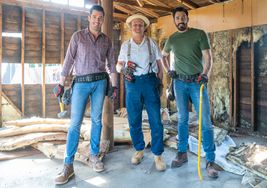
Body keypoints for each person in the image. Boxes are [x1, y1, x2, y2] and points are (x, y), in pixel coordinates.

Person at [53, 5, 117, 185]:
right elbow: (68, 61)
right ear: (89, 18)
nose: (97, 20)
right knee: (75, 124)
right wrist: (60, 83)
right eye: (94, 17)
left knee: (97, 121)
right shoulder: (78, 36)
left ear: (103, 20)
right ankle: (68, 165)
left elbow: (112, 64)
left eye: (100, 18)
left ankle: (94, 156)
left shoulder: (107, 40)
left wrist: (114, 86)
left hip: (99, 82)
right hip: (80, 83)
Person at [162, 7, 218, 178]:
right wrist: (168, 70)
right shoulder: (172, 39)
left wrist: (205, 75)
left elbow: (208, 57)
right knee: (182, 119)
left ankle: (210, 160)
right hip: (179, 82)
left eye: (183, 17)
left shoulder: (199, 34)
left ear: (187, 18)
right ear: (174, 20)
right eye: (177, 17)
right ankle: (182, 153)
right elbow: (163, 55)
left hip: (197, 82)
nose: (180, 20)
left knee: (205, 122)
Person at [116, 14, 166, 171]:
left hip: (150, 81)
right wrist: (123, 70)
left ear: (144, 27)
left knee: (156, 120)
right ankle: (139, 149)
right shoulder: (126, 46)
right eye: (134, 25)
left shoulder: (152, 43)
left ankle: (157, 154)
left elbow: (159, 64)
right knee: (134, 119)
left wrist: (160, 84)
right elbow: (118, 65)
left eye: (140, 25)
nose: (137, 27)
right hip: (132, 84)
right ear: (130, 28)